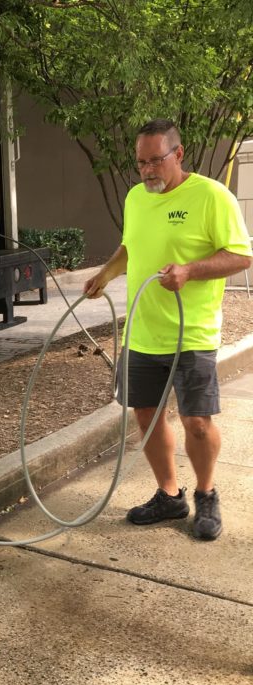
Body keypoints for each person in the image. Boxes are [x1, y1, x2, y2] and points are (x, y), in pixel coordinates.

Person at [84, 118, 251, 541]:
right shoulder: (137, 198)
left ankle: (206, 493)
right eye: (140, 163)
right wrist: (105, 274)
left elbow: (241, 256)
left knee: (197, 420)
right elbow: (130, 245)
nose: (147, 171)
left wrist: (191, 270)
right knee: (146, 414)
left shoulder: (212, 197)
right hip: (143, 331)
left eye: (155, 161)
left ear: (178, 154)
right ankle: (169, 494)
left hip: (190, 334)